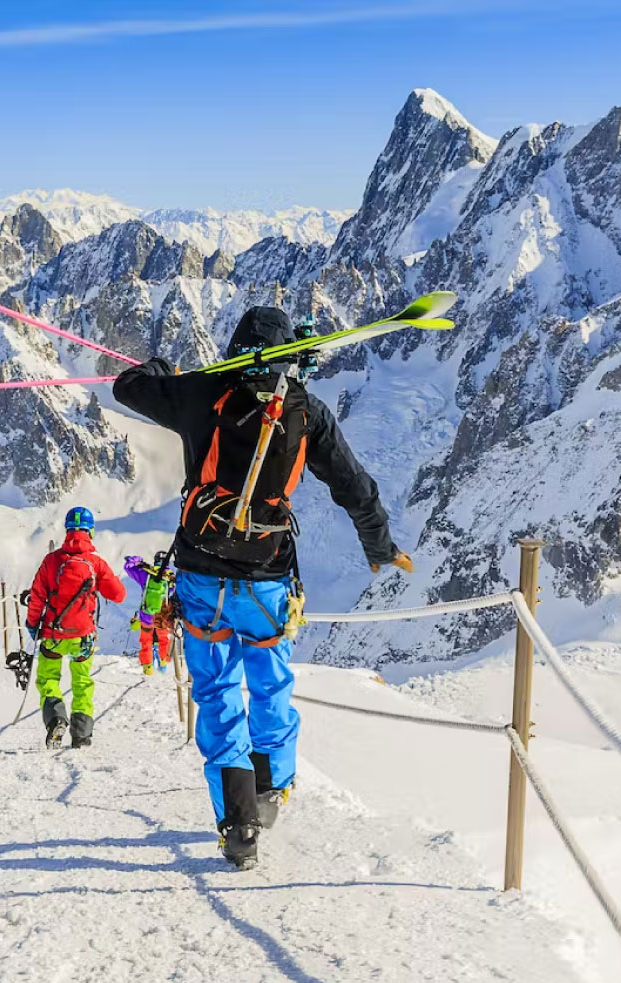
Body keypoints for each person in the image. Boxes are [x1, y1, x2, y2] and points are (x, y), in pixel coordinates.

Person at [113, 306, 412, 868]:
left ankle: (238, 822)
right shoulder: (305, 410)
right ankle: (271, 789)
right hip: (267, 579)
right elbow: (354, 484)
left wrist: (161, 369)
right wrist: (378, 545)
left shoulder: (200, 393)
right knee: (270, 685)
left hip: (202, 576)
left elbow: (127, 387)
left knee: (216, 694)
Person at [25, 506, 126, 749]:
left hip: (53, 634)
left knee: (48, 678)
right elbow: (119, 595)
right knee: (82, 682)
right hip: (83, 636)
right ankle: (81, 735)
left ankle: (56, 718)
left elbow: (37, 596)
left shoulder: (52, 561)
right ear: (90, 531)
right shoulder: (95, 563)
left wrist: (32, 623)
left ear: (67, 530)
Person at [124, 552, 177, 675]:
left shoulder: (146, 574)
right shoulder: (171, 578)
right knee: (163, 640)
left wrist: (136, 559)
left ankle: (148, 667)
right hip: (163, 616)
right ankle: (163, 663)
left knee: (146, 641)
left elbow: (128, 567)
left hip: (147, 615)